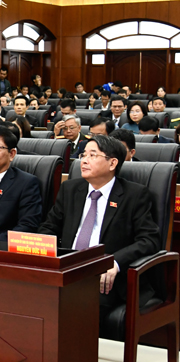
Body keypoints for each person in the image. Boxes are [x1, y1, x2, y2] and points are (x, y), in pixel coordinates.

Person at [38, 135, 160, 336]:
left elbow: (149, 240)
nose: (83, 160)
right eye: (83, 155)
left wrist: (115, 262)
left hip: (104, 277)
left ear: (113, 163)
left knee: (75, 310)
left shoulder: (134, 194)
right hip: (67, 268)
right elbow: (49, 227)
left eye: (92, 155)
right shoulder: (70, 189)